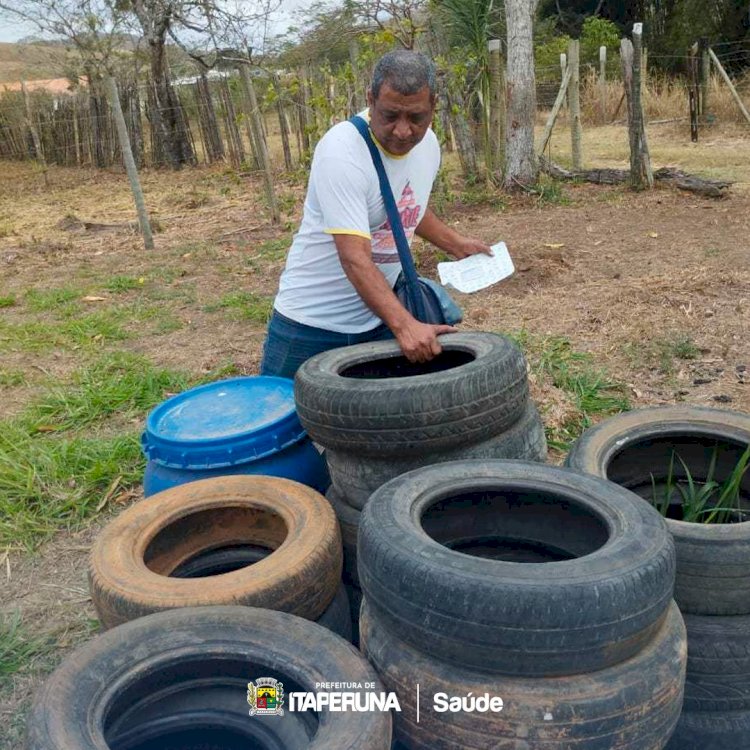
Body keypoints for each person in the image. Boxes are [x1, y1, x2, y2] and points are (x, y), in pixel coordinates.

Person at [260, 49, 491, 379]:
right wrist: (406, 325)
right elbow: (354, 258)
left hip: (379, 317)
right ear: (370, 99)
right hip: (312, 324)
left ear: (433, 106)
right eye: (390, 115)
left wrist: (454, 243)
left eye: (416, 118)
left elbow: (402, 206)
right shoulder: (342, 153)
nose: (402, 131)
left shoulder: (427, 147)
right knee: (283, 423)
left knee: (385, 426)